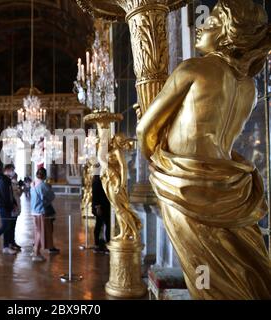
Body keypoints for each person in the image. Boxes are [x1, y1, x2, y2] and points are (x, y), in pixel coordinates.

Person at [136, 0, 271, 299]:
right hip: (231, 187)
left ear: (227, 34)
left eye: (209, 24)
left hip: (185, 186)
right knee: (239, 270)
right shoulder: (250, 87)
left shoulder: (194, 69)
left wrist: (160, 165)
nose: (199, 27)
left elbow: (145, 129)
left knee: (202, 272)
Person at [31, 167, 56, 262]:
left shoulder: (33, 184)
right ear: (44, 175)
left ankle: (35, 251)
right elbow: (51, 196)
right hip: (41, 211)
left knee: (37, 231)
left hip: (34, 211)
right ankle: (36, 253)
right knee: (40, 232)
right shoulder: (43, 185)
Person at [92, 175, 111, 253]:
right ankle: (98, 244)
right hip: (101, 207)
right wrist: (98, 207)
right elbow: (95, 195)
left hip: (107, 206)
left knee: (106, 225)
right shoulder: (97, 181)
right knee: (100, 225)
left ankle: (105, 243)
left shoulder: (106, 179)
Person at [9, 173, 22, 252]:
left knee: (13, 226)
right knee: (11, 226)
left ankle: (12, 242)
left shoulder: (15, 184)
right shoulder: (11, 184)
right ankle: (10, 243)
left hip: (16, 206)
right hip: (13, 207)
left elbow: (18, 194)